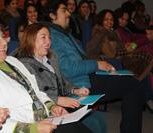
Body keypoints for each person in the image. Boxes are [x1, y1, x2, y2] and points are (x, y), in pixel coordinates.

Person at [0, 20, 92, 133]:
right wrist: (33, 129)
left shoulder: (12, 61)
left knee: (79, 127)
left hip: (45, 120)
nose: (5, 42)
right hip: (24, 128)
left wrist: (52, 107)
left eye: (3, 37)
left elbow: (36, 92)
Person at [42, 1, 147, 133]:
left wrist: (99, 65)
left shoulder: (63, 33)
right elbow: (68, 69)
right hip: (78, 83)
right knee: (133, 85)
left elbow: (82, 59)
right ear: (52, 15)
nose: (68, 13)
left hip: (86, 76)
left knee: (130, 81)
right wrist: (97, 64)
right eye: (64, 10)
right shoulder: (51, 35)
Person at [18, 23, 107, 133]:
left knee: (98, 118)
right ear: (31, 39)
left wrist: (75, 90)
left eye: (49, 37)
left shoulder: (52, 56)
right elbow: (34, 93)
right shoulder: (24, 64)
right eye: (43, 37)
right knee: (90, 123)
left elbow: (62, 81)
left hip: (64, 100)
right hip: (47, 109)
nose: (48, 42)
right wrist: (58, 100)